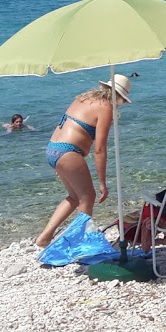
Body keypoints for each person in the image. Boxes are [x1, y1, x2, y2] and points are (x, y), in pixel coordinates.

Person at [35, 73, 132, 247]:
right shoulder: (105, 107)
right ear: (119, 98)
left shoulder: (83, 99)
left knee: (74, 197)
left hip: (53, 149)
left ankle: (45, 237)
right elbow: (100, 149)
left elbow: (64, 126)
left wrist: (61, 164)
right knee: (88, 197)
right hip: (69, 153)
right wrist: (102, 182)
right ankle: (79, 244)